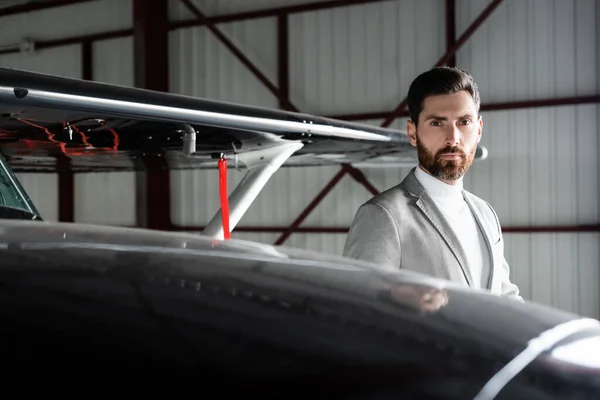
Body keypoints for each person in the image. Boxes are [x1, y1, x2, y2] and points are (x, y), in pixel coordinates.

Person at [343, 67, 523, 302]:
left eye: (464, 122)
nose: (453, 138)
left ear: (478, 129)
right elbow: (356, 305)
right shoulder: (383, 216)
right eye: (437, 123)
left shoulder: (486, 214)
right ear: (412, 132)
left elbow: (506, 298)